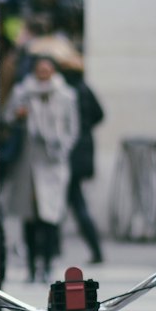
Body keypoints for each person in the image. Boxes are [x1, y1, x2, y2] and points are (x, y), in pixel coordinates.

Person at [3, 56, 79, 282]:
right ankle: (30, 266)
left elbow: (72, 128)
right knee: (29, 217)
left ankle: (47, 264)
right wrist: (18, 115)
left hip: (53, 164)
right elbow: (5, 118)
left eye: (48, 69)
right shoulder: (22, 92)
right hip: (27, 163)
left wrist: (62, 148)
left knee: (51, 216)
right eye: (40, 69)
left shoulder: (66, 95)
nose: (44, 72)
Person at [63, 64, 105, 264]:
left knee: (73, 202)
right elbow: (99, 114)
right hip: (83, 151)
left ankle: (95, 248)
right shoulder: (83, 87)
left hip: (70, 153)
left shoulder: (66, 90)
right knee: (74, 201)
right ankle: (95, 248)